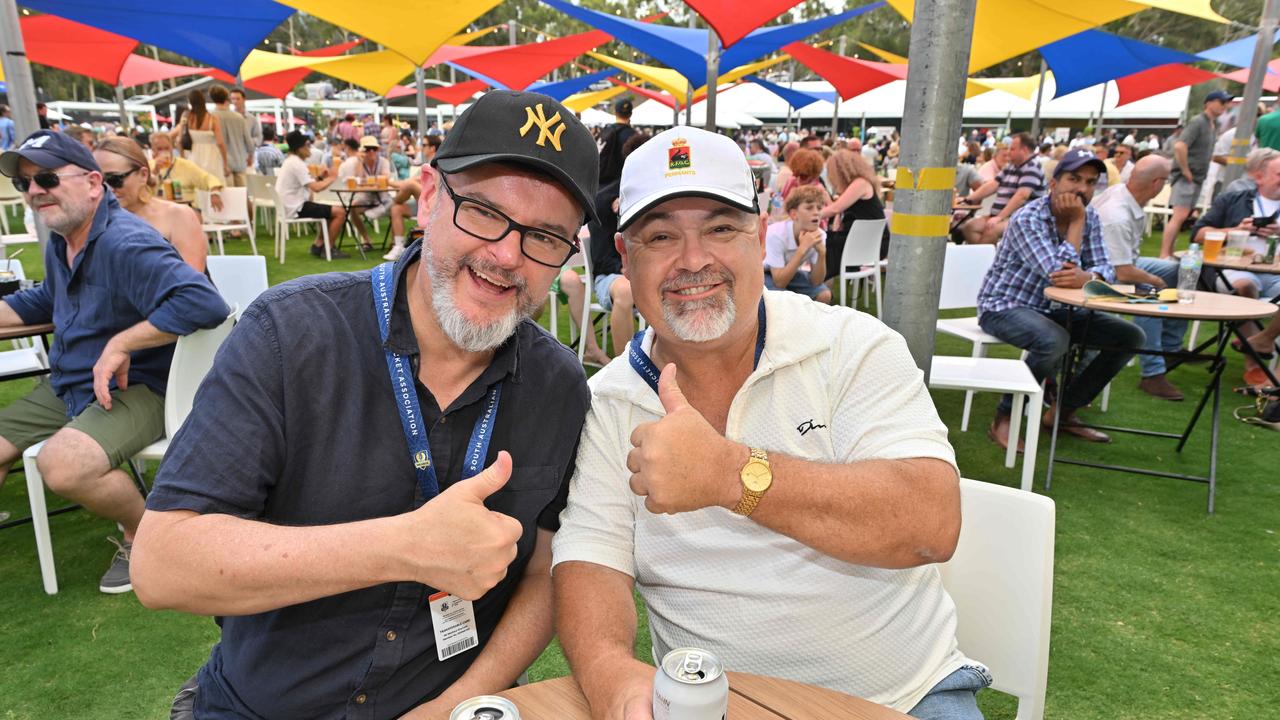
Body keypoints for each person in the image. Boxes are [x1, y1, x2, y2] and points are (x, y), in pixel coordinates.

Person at [131, 90, 599, 720]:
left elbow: (544, 571)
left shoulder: (560, 387)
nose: (507, 255)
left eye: (544, 236)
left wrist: (458, 702)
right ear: (430, 196)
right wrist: (403, 545)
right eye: (484, 212)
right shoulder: (289, 335)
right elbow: (163, 564)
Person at [551, 125, 984, 720]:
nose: (693, 260)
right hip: (713, 703)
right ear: (626, 258)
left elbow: (929, 524)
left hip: (904, 698)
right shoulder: (608, 400)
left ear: (760, 236)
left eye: (721, 229)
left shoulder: (850, 346)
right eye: (661, 236)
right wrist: (610, 673)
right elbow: (591, 558)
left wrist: (731, 475)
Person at [0, 130, 229, 593]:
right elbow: (48, 298)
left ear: (92, 182)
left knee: (63, 466)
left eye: (46, 177)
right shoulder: (63, 235)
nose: (35, 190)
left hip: (137, 387)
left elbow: (204, 303)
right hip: (72, 382)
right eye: (25, 183)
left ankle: (147, 533)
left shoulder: (124, 242)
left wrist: (123, 341)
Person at [977, 149, 1145, 448]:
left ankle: (1063, 411)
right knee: (1054, 340)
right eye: (1074, 179)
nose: (1082, 188)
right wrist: (1076, 223)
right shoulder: (1028, 217)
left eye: (1091, 182)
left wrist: (1090, 278)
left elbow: (1105, 269)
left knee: (1129, 335)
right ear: (1053, 183)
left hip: (1058, 310)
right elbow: (1057, 274)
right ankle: (1005, 417)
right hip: (1004, 306)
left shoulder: (1091, 214)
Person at [1091, 155, 1185, 400]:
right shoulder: (1117, 215)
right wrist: (1156, 281)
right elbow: (1123, 273)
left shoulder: (1123, 193)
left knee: (1179, 269)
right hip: (1100, 277)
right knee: (1151, 297)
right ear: (1157, 184)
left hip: (1122, 263)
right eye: (1166, 180)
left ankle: (1170, 346)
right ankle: (1152, 374)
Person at [1191, 148, 1280, 386]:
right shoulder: (1233, 200)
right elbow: (1198, 234)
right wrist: (1236, 231)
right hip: (1234, 270)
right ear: (1259, 177)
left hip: (1275, 274)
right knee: (1245, 285)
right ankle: (1256, 365)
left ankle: (1264, 343)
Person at [559, 132, 649, 365]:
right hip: (610, 277)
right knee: (627, 290)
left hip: (648, 275)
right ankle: (626, 370)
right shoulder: (606, 199)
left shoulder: (659, 198)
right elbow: (600, 260)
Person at [93, 136, 208, 272]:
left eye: (115, 179)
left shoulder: (177, 216)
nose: (108, 189)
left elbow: (191, 283)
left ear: (143, 175)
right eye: (97, 182)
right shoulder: (94, 221)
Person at [1160, 90, 1230, 258]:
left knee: (1182, 217)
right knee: (1179, 216)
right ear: (1209, 102)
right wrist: (1185, 170)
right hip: (1188, 176)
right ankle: (1164, 254)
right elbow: (1180, 146)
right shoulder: (1198, 121)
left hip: (1197, 176)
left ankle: (1168, 252)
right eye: (1221, 102)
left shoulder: (1213, 125)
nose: (1224, 105)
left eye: (1225, 102)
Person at [275, 130, 348, 259]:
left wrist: (320, 177)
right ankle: (328, 249)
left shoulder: (291, 161)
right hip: (296, 207)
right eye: (307, 145)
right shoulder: (297, 164)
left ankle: (318, 245)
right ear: (300, 148)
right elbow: (316, 188)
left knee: (327, 210)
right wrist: (332, 178)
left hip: (289, 205)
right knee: (340, 212)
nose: (310, 148)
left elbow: (308, 183)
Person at [961, 132, 1045, 245]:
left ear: (1024, 150)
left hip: (1020, 219)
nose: (1009, 152)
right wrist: (967, 199)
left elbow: (1022, 196)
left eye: (1013, 149)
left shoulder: (1032, 167)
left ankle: (986, 259)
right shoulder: (1012, 166)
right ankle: (987, 255)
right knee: (969, 227)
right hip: (1000, 216)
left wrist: (1000, 217)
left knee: (991, 231)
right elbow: (993, 184)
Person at [820, 149, 888, 281]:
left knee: (822, 245)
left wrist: (809, 217)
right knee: (824, 242)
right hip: (864, 240)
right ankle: (819, 283)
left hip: (870, 243)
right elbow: (838, 209)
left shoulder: (860, 183)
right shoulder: (860, 183)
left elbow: (835, 209)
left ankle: (817, 283)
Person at [765, 185, 831, 303]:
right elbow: (779, 282)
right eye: (809, 208)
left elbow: (817, 281)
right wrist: (802, 250)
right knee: (783, 300)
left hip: (791, 271)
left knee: (824, 294)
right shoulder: (776, 234)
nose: (816, 212)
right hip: (767, 273)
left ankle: (810, 321)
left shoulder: (820, 235)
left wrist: (822, 254)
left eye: (819, 208)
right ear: (794, 214)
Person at [386, 135, 442, 262]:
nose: (421, 148)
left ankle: (388, 204)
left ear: (432, 148)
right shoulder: (426, 165)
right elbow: (407, 182)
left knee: (410, 186)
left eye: (424, 145)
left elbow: (410, 183)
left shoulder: (438, 164)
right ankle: (399, 246)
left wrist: (388, 183)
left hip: (437, 205)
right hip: (422, 205)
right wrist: (390, 183)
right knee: (396, 209)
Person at [338, 135, 395, 252]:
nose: (372, 152)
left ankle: (394, 242)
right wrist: (360, 161)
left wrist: (367, 182)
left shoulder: (383, 161)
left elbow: (385, 178)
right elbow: (357, 179)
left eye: (374, 149)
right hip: (367, 197)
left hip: (383, 197)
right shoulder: (359, 163)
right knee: (352, 208)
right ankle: (366, 240)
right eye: (368, 149)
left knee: (396, 209)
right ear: (362, 151)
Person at [149, 132, 225, 208]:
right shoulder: (147, 166)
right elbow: (143, 189)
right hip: (159, 210)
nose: (164, 152)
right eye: (159, 149)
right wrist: (155, 171)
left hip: (184, 208)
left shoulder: (185, 165)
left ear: (172, 147)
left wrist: (215, 193)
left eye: (167, 148)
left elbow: (208, 178)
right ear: (152, 150)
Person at [173, 88, 227, 185]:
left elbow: (179, 140)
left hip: (193, 156)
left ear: (190, 101)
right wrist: (225, 163)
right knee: (214, 185)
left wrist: (182, 158)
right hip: (212, 157)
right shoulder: (212, 118)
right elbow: (220, 143)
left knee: (197, 187)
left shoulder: (186, 116)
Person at [209, 85, 254, 187]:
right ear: (227, 98)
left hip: (221, 164)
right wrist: (250, 156)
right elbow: (249, 142)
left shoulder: (210, 117)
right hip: (240, 162)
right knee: (242, 197)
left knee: (228, 199)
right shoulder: (238, 117)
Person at [598, 97, 637, 186]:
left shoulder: (605, 131)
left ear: (615, 113)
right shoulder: (634, 136)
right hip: (620, 185)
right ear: (630, 114)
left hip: (601, 183)